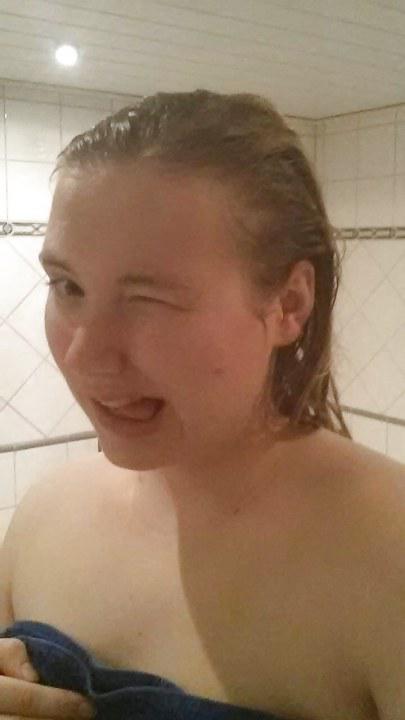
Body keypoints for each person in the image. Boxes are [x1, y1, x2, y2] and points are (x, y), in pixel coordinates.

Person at [0, 89, 405, 720]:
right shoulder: (41, 516)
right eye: (67, 285)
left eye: (148, 298)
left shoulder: (387, 556)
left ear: (289, 304)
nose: (84, 355)